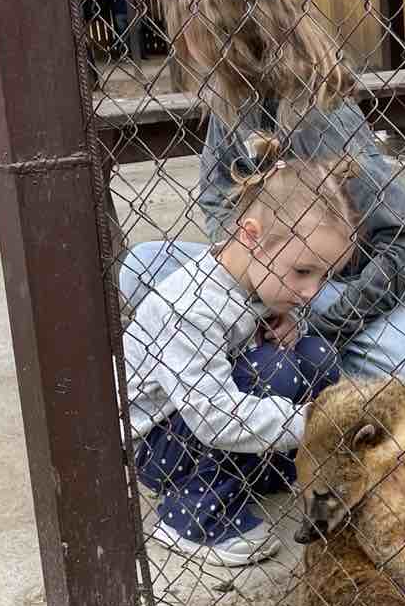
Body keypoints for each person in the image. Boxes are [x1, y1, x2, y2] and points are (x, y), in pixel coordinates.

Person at [119, 0, 405, 403]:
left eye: (182, 19)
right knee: (142, 265)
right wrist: (262, 279)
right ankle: (264, 358)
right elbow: (217, 196)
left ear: (214, 23)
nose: (177, 37)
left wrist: (316, 318)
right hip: (268, 272)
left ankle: (294, 360)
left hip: (342, 288)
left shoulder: (319, 109)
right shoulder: (231, 94)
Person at [124, 136, 356, 565]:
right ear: (251, 237)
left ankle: (269, 470)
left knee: (315, 355)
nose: (311, 291)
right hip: (159, 444)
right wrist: (315, 423)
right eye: (303, 271)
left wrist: (289, 323)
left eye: (324, 277)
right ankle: (192, 518)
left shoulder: (259, 281)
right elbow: (212, 415)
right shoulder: (191, 306)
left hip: (204, 416)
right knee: (275, 370)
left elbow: (262, 335)